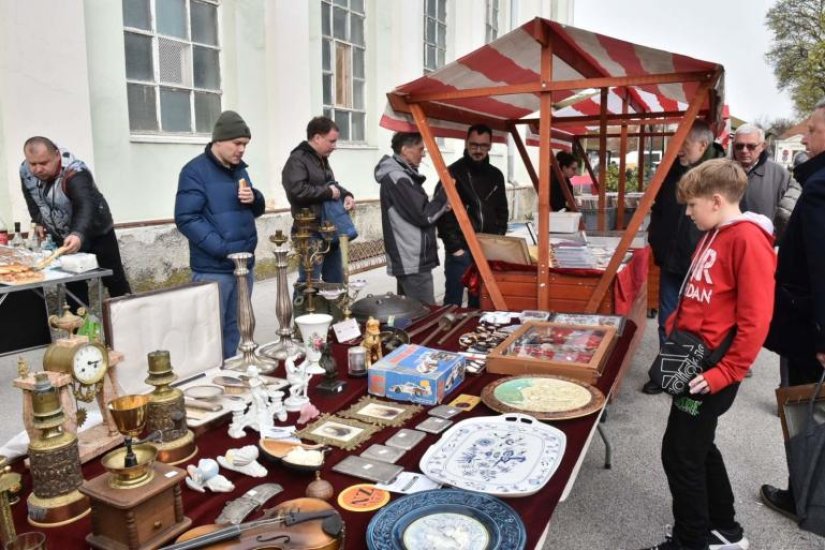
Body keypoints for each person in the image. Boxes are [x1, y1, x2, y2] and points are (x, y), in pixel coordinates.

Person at [639, 159, 776, 550]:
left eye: (692, 205)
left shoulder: (747, 240)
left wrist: (726, 372)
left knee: (680, 454)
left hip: (712, 369)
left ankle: (690, 541)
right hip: (693, 359)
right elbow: (696, 291)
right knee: (699, 447)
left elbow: (756, 319)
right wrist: (673, 328)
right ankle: (725, 530)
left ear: (716, 201)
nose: (687, 212)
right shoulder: (713, 233)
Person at [760, 99, 825, 522]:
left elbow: (822, 265)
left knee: (806, 415)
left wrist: (823, 336)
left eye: (814, 129)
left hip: (809, 328)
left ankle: (804, 497)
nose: (804, 135)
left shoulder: (820, 185)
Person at [175, 110, 266, 359]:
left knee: (235, 329)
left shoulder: (240, 171)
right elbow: (186, 218)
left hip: (243, 266)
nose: (242, 150)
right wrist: (225, 249)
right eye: (237, 143)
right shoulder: (194, 172)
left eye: (245, 144)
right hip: (214, 269)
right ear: (219, 140)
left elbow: (255, 209)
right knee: (210, 333)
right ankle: (211, 382)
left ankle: (230, 378)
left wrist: (254, 198)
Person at [644, 120, 724, 394]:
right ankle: (665, 374)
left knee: (696, 321)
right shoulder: (672, 172)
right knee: (667, 317)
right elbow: (659, 207)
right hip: (670, 258)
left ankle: (693, 375)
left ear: (703, 145)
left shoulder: (719, 175)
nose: (678, 150)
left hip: (701, 265)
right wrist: (656, 240)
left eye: (684, 144)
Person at [20, 136, 131, 309]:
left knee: (114, 279)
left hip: (97, 230)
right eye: (32, 164)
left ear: (56, 155)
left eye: (43, 163)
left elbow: (85, 205)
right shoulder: (25, 171)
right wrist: (38, 220)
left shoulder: (76, 172)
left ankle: (129, 317)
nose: (38, 169)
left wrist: (78, 234)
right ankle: (79, 330)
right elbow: (31, 196)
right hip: (63, 233)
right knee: (73, 283)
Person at [435, 124, 508, 307]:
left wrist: (497, 240)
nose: (478, 150)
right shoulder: (452, 173)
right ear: (466, 143)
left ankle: (474, 335)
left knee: (480, 301)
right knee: (453, 303)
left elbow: (502, 210)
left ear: (490, 146)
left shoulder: (496, 175)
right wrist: (455, 248)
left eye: (483, 146)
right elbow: (443, 214)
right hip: (461, 249)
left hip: (486, 248)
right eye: (474, 145)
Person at [374, 132, 450, 305]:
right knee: (425, 315)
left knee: (408, 314)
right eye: (420, 149)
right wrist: (444, 196)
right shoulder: (398, 178)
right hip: (412, 260)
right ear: (405, 150)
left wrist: (441, 205)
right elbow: (424, 215)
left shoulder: (402, 175)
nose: (423, 154)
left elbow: (418, 211)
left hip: (410, 259)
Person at [282, 117, 355, 285]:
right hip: (309, 232)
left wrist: (347, 195)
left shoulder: (321, 159)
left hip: (329, 230)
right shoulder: (297, 159)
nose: (334, 146)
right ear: (317, 138)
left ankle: (334, 311)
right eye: (331, 141)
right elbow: (296, 191)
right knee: (310, 284)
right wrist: (328, 193)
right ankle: (304, 312)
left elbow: (331, 185)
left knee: (336, 281)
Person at [732, 124, 793, 220]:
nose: (744, 150)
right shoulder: (719, 171)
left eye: (751, 146)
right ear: (733, 145)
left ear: (762, 146)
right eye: (739, 146)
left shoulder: (780, 175)